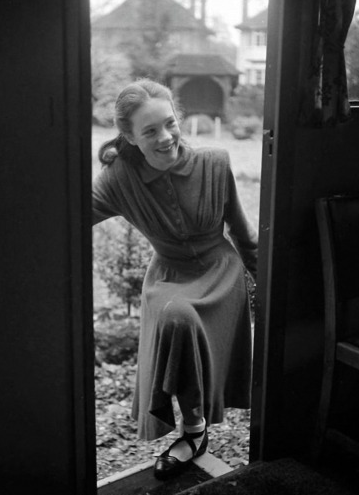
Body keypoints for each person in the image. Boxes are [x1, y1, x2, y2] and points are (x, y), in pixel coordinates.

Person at [92, 78, 258, 480]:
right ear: (129, 138)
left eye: (169, 123)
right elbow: (68, 213)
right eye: (150, 131)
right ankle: (194, 429)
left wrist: (263, 280)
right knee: (177, 316)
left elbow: (241, 231)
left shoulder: (216, 163)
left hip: (221, 272)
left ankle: (194, 428)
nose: (166, 137)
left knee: (182, 319)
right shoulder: (120, 179)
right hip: (168, 275)